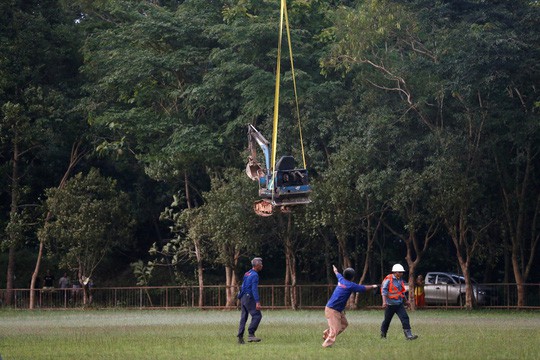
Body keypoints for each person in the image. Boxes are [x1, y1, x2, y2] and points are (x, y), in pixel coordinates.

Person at [322, 265, 379, 348]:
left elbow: (337, 273)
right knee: (335, 330)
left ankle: (327, 334)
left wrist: (335, 270)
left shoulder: (341, 279)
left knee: (344, 324)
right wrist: (374, 286)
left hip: (336, 309)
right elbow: (363, 288)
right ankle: (326, 346)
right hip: (332, 310)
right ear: (352, 277)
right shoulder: (351, 285)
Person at [380, 264, 418, 340]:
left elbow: (402, 292)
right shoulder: (388, 279)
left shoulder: (400, 280)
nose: (401, 273)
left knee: (405, 318)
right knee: (387, 321)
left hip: (399, 304)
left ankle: (409, 335)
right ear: (395, 272)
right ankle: (383, 335)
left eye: (402, 272)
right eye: (400, 272)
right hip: (390, 305)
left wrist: (406, 301)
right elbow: (384, 291)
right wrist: (384, 302)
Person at [237, 257, 263, 344]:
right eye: (261, 264)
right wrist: (257, 301)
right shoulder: (255, 275)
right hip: (249, 297)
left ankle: (240, 338)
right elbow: (254, 289)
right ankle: (251, 334)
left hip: (243, 297)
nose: (262, 266)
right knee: (257, 316)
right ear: (257, 266)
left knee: (243, 318)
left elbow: (243, 285)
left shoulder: (247, 273)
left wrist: (240, 296)